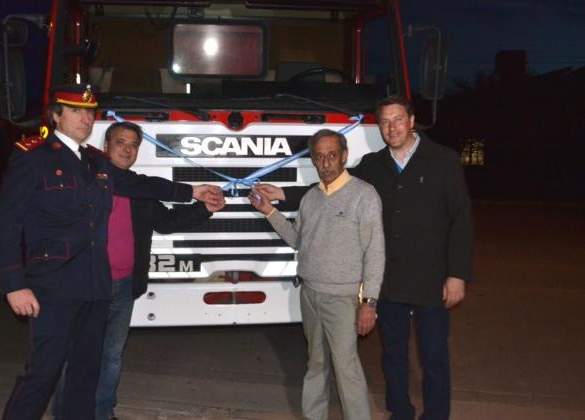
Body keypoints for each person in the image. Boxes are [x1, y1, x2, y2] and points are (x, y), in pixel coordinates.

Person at [0, 84, 222, 420]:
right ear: (56, 116)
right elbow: (5, 223)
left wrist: (192, 191)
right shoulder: (34, 157)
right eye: (75, 111)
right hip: (54, 286)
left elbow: (139, 184)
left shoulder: (96, 162)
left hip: (96, 287)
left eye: (90, 112)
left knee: (86, 373)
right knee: (43, 373)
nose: (85, 118)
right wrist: (14, 283)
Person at [257, 95, 473, 420]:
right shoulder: (374, 165)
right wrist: (283, 196)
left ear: (412, 121)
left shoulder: (443, 160)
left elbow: (461, 220)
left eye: (398, 119)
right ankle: (400, 412)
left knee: (433, 356)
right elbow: (332, 185)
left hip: (432, 275)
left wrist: (457, 273)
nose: (391, 127)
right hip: (389, 278)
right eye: (385, 122)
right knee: (394, 354)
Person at [53, 121, 224, 420]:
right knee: (76, 355)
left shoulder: (139, 188)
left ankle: (103, 413)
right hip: (86, 285)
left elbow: (167, 222)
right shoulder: (84, 178)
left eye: (133, 145)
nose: (127, 149)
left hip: (123, 286)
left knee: (111, 358)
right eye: (120, 142)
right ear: (105, 146)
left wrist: (205, 209)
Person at [249, 129, 385, 420]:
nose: (326, 163)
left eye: (332, 155)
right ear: (313, 160)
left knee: (347, 369)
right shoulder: (310, 198)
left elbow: (375, 252)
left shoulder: (364, 195)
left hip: (343, 298)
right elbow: (299, 241)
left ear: (344, 156)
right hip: (309, 293)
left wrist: (369, 302)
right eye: (319, 157)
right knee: (315, 365)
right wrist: (270, 212)